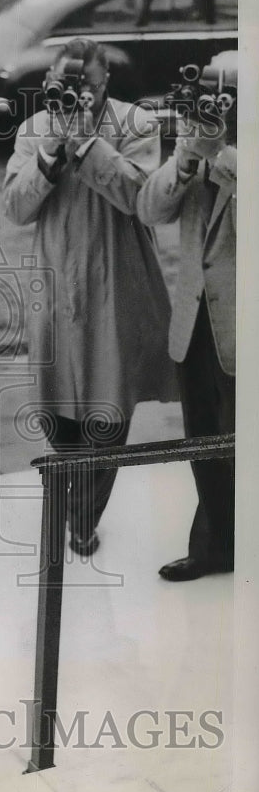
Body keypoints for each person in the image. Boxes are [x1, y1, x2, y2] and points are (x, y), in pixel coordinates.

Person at [3, 37, 176, 556]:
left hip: (115, 276)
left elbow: (141, 200)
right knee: (55, 409)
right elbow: (14, 207)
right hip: (56, 277)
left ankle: (80, 517)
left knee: (108, 405)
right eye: (64, 86)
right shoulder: (36, 128)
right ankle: (79, 498)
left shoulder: (137, 124)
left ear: (107, 85)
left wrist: (87, 144)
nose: (77, 96)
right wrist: (52, 153)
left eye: (88, 88)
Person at [137, 50, 237, 581]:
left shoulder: (227, 151)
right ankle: (214, 547)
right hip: (197, 322)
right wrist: (184, 160)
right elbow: (149, 210)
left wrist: (217, 153)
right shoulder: (205, 143)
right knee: (204, 441)